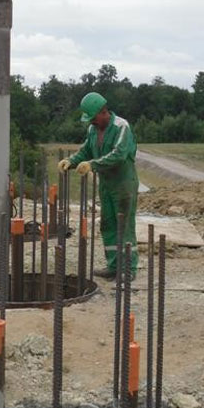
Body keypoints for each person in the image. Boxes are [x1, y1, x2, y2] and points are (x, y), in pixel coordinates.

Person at [58, 92, 139, 279]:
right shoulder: (93, 130)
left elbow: (119, 154)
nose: (91, 123)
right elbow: (86, 150)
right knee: (108, 224)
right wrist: (71, 161)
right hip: (106, 184)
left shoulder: (121, 127)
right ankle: (114, 266)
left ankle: (128, 269)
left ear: (103, 112)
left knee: (124, 225)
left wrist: (92, 165)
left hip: (123, 184)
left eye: (93, 118)